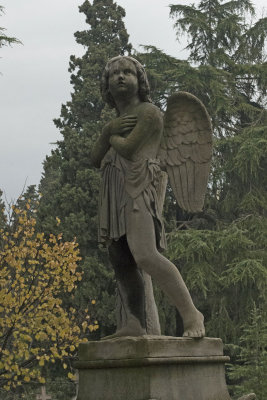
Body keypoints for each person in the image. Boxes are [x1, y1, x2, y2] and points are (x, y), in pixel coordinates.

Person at [91, 56, 205, 338]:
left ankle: (192, 315)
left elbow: (129, 150)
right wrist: (109, 132)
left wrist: (109, 135)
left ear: (139, 81)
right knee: (121, 259)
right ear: (107, 84)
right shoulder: (117, 122)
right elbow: (94, 158)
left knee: (145, 254)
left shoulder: (149, 113)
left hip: (137, 186)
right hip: (114, 191)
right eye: (114, 73)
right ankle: (134, 322)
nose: (120, 76)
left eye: (127, 72)